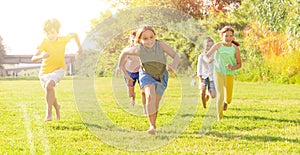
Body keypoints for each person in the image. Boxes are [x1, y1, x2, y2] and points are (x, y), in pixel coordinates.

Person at [117, 25, 180, 134]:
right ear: (139, 40)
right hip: (146, 74)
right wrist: (119, 65)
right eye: (145, 39)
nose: (149, 41)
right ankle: (152, 127)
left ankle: (153, 122)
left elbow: (176, 56)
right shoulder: (138, 49)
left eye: (151, 37)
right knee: (150, 96)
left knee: (155, 103)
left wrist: (173, 65)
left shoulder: (160, 45)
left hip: (162, 75)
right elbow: (124, 53)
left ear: (155, 36)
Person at [32, 18, 82, 122]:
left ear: (57, 31)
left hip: (59, 69)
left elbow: (75, 34)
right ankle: (57, 108)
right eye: (48, 33)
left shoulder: (63, 39)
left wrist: (80, 48)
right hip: (44, 71)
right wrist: (42, 56)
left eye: (53, 33)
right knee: (49, 90)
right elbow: (33, 58)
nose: (51, 36)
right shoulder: (44, 42)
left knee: (49, 86)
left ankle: (48, 114)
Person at [205, 26, 241, 121]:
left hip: (229, 74)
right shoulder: (218, 45)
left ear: (233, 37)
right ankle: (219, 117)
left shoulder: (235, 48)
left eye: (231, 36)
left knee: (228, 99)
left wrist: (232, 67)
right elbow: (206, 55)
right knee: (220, 94)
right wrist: (208, 60)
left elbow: (239, 64)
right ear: (222, 36)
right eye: (226, 36)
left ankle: (226, 102)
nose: (228, 38)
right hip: (218, 73)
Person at [116, 30, 146, 115]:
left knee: (144, 91)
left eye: (135, 39)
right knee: (131, 93)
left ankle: (145, 110)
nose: (133, 41)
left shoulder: (143, 49)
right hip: (129, 72)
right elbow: (122, 64)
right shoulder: (127, 50)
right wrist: (126, 75)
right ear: (130, 39)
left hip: (141, 72)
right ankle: (132, 98)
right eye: (132, 39)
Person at [197, 37, 216, 109]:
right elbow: (199, 68)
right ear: (204, 46)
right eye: (207, 46)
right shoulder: (201, 56)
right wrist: (200, 80)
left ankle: (208, 93)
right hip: (204, 76)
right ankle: (204, 106)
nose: (209, 47)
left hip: (212, 77)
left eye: (211, 46)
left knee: (213, 95)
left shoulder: (215, 55)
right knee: (202, 91)